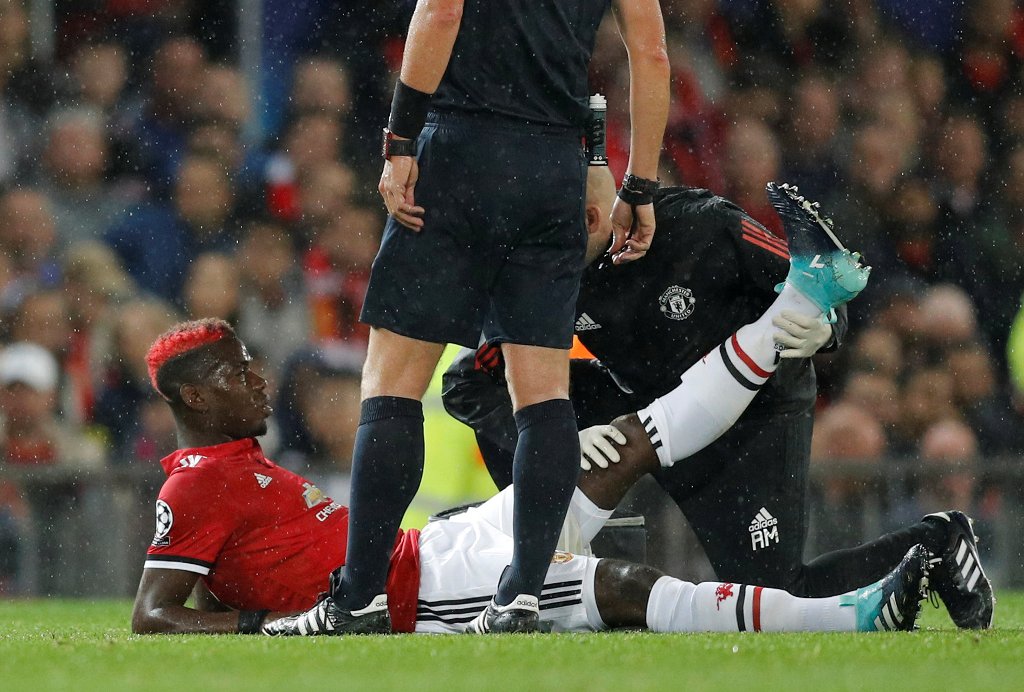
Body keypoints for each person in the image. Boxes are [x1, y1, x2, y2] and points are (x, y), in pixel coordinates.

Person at [131, 318, 932, 636]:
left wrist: (252, 607)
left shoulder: (236, 464)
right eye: (239, 374)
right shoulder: (194, 482)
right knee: (620, 585)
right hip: (428, 590)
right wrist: (268, 631)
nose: (260, 379)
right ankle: (851, 618)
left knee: (624, 444)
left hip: (439, 543)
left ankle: (785, 318)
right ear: (194, 396)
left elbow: (227, 579)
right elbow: (155, 616)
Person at [443, 171, 994, 629]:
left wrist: (829, 329)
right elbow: (465, 380)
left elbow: (816, 282)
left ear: (591, 220)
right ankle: (538, 556)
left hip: (755, 416)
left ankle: (937, 542)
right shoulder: (543, 274)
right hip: (650, 407)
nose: (541, 267)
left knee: (775, 592)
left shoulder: (702, 223)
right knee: (511, 393)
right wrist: (548, 441)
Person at [328, 0, 671, 634]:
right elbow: (649, 54)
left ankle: (359, 597)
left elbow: (440, 11)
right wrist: (638, 183)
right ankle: (521, 596)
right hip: (552, 166)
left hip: (462, 145)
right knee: (543, 395)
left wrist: (400, 141)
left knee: (392, 382)